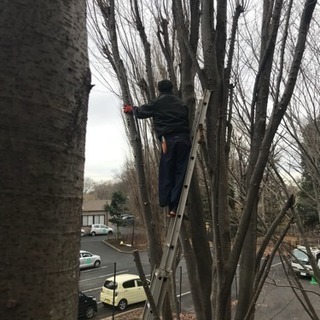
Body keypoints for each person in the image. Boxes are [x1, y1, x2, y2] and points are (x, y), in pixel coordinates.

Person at [123, 79, 191, 217]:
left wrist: (132, 109)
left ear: (159, 89)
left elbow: (142, 112)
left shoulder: (158, 103)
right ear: (171, 88)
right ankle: (175, 206)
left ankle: (170, 205)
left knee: (167, 173)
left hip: (168, 141)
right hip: (183, 140)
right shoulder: (181, 103)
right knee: (181, 173)